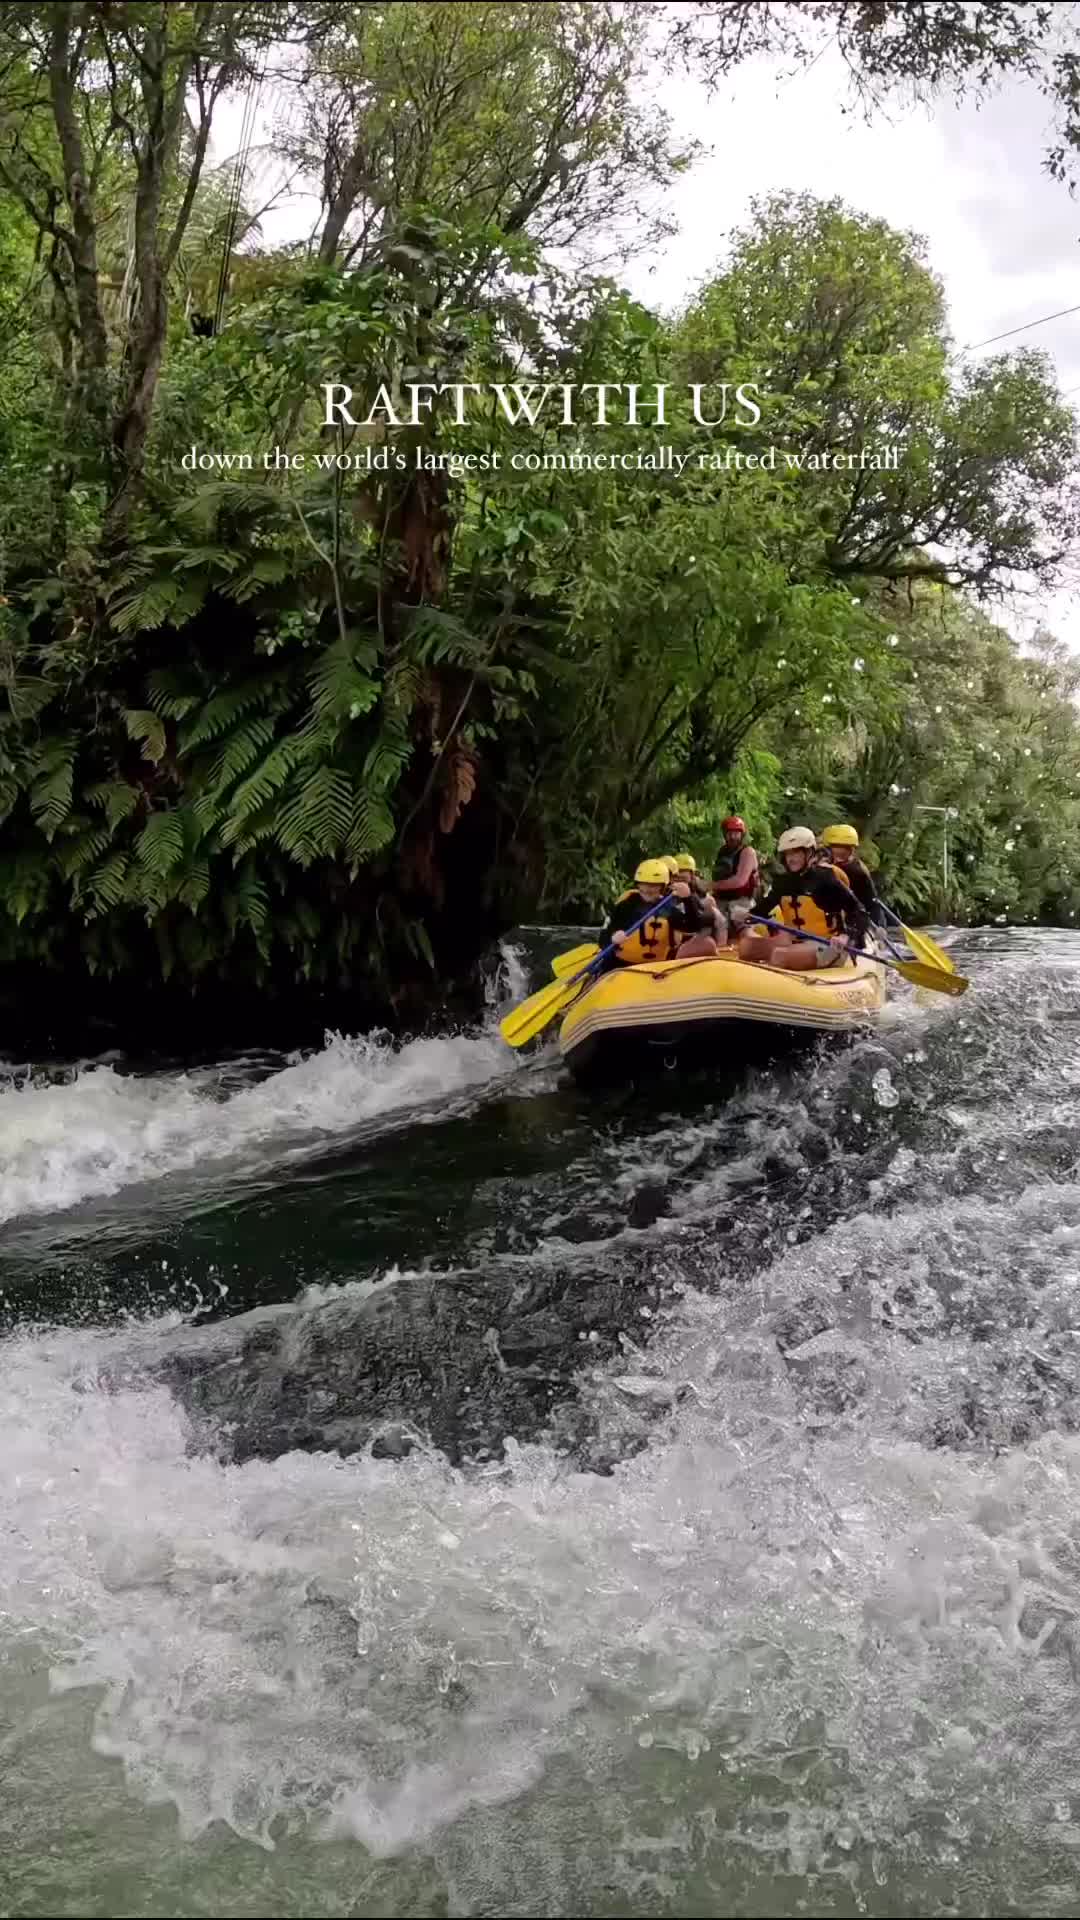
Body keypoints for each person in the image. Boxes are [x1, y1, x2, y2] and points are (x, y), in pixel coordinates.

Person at [737, 827, 868, 971]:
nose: (791, 858)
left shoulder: (825, 878)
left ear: (809, 853)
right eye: (788, 854)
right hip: (793, 941)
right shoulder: (783, 882)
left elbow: (859, 911)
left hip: (826, 944)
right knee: (746, 947)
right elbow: (762, 909)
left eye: (796, 852)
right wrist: (747, 915)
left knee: (779, 956)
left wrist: (845, 936)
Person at [604, 860, 719, 965]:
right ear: (638, 884)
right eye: (643, 884)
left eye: (654, 885)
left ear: (662, 887)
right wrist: (612, 938)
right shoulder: (626, 906)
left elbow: (693, 926)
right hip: (622, 964)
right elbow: (604, 936)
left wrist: (688, 899)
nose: (648, 889)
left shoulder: (666, 909)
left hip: (656, 967)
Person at [819, 824, 886, 925]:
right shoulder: (817, 867)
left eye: (844, 853)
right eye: (836, 851)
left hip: (853, 916)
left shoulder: (858, 872)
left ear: (852, 851)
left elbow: (871, 902)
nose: (838, 860)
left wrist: (877, 926)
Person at [711, 815, 760, 938]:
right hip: (721, 899)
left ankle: (752, 942)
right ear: (724, 834)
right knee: (710, 919)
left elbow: (740, 881)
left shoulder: (747, 852)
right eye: (729, 833)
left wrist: (710, 885)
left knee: (739, 921)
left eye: (736, 833)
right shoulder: (722, 852)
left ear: (742, 835)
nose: (733, 837)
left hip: (742, 900)